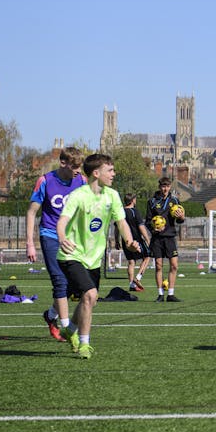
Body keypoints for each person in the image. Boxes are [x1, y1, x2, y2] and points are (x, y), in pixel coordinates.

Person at [54, 153, 142, 359]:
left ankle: (69, 330)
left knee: (89, 300)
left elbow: (122, 223)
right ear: (96, 173)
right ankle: (84, 344)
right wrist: (61, 237)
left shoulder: (112, 196)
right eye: (109, 170)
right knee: (91, 295)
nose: (114, 173)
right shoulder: (78, 195)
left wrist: (129, 241)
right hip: (71, 255)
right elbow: (62, 221)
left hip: (93, 259)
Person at [24, 146, 86, 341]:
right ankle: (69, 331)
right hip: (50, 235)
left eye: (80, 166)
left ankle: (51, 315)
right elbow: (32, 212)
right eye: (74, 166)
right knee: (59, 280)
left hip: (72, 238)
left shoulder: (82, 181)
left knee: (74, 285)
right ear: (63, 163)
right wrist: (30, 243)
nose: (78, 170)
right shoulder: (45, 181)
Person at [145, 177, 185, 302]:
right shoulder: (152, 201)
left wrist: (182, 217)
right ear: (159, 186)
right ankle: (160, 294)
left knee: (174, 266)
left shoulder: (174, 200)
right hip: (157, 239)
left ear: (170, 187)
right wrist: (153, 229)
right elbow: (147, 221)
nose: (165, 189)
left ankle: (171, 294)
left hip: (170, 237)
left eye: (167, 186)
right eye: (163, 186)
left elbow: (179, 220)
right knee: (158, 266)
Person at [122, 193, 151, 291]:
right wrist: (147, 239)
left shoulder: (121, 212)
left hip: (125, 241)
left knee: (131, 261)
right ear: (133, 200)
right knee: (147, 257)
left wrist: (117, 240)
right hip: (136, 240)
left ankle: (131, 285)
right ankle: (138, 278)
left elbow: (117, 227)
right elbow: (141, 226)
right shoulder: (134, 211)